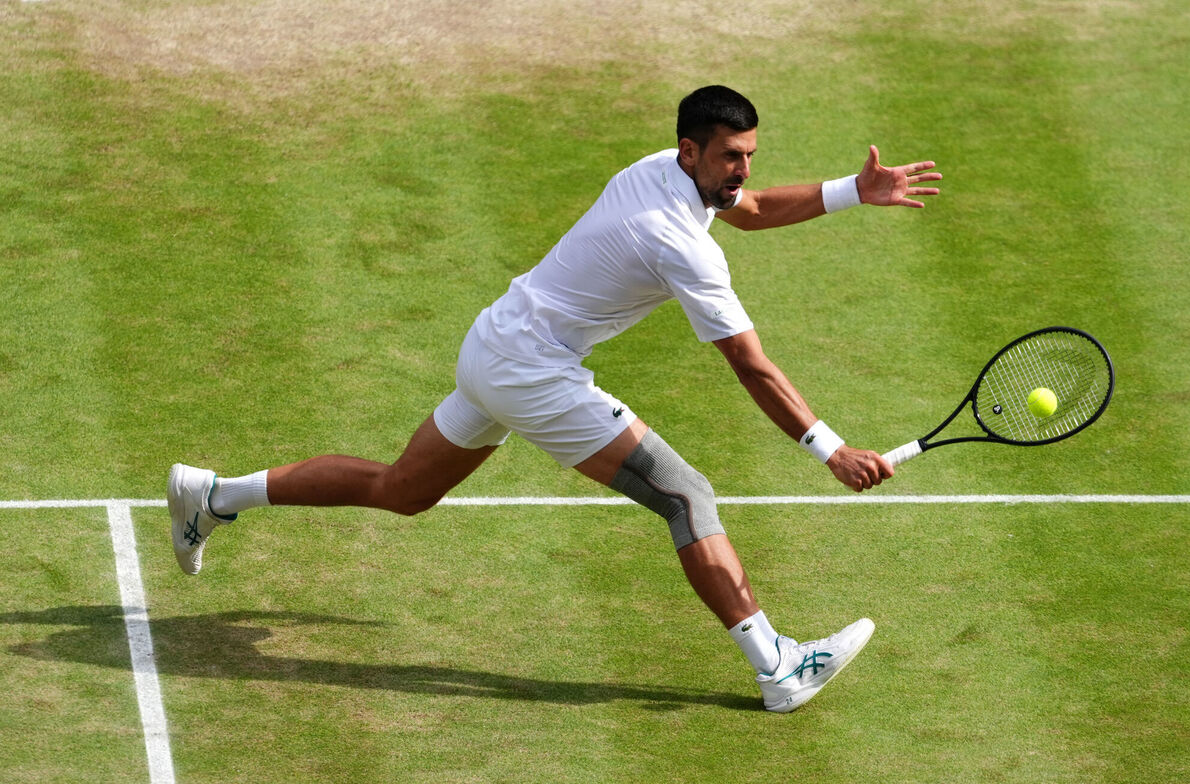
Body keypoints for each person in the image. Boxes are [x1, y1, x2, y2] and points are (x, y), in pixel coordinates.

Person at [169, 85, 941, 713]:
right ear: (691, 151)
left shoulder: (663, 170)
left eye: (748, 156)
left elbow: (761, 207)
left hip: (493, 346)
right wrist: (830, 448)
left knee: (400, 490)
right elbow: (751, 365)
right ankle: (777, 666)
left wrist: (852, 192)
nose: (741, 170)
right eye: (731, 157)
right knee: (686, 495)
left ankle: (213, 496)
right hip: (533, 371)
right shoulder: (679, 242)